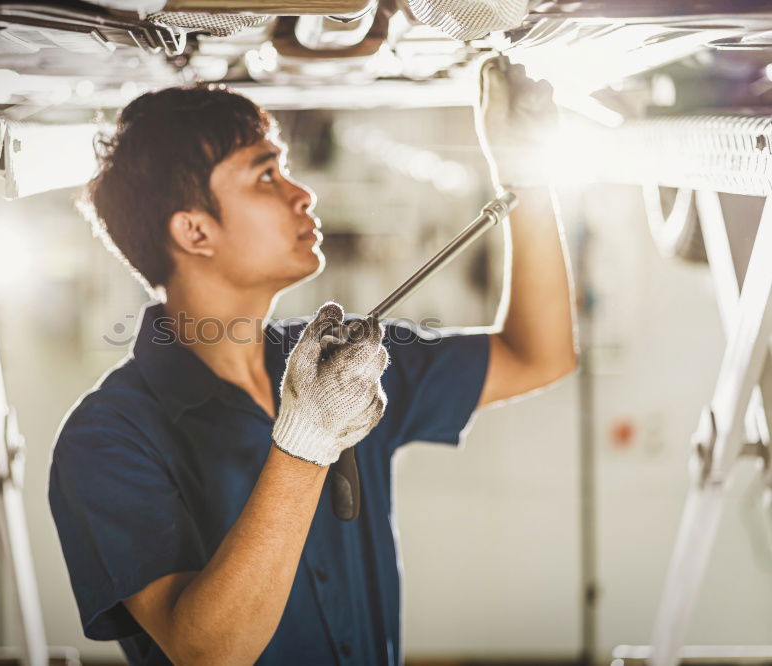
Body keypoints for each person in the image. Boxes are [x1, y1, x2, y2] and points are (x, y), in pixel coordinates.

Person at [48, 58, 577, 665]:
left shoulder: (343, 364)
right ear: (195, 232)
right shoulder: (107, 438)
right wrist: (306, 442)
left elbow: (539, 355)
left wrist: (528, 179)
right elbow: (208, 654)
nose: (303, 193)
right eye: (265, 175)